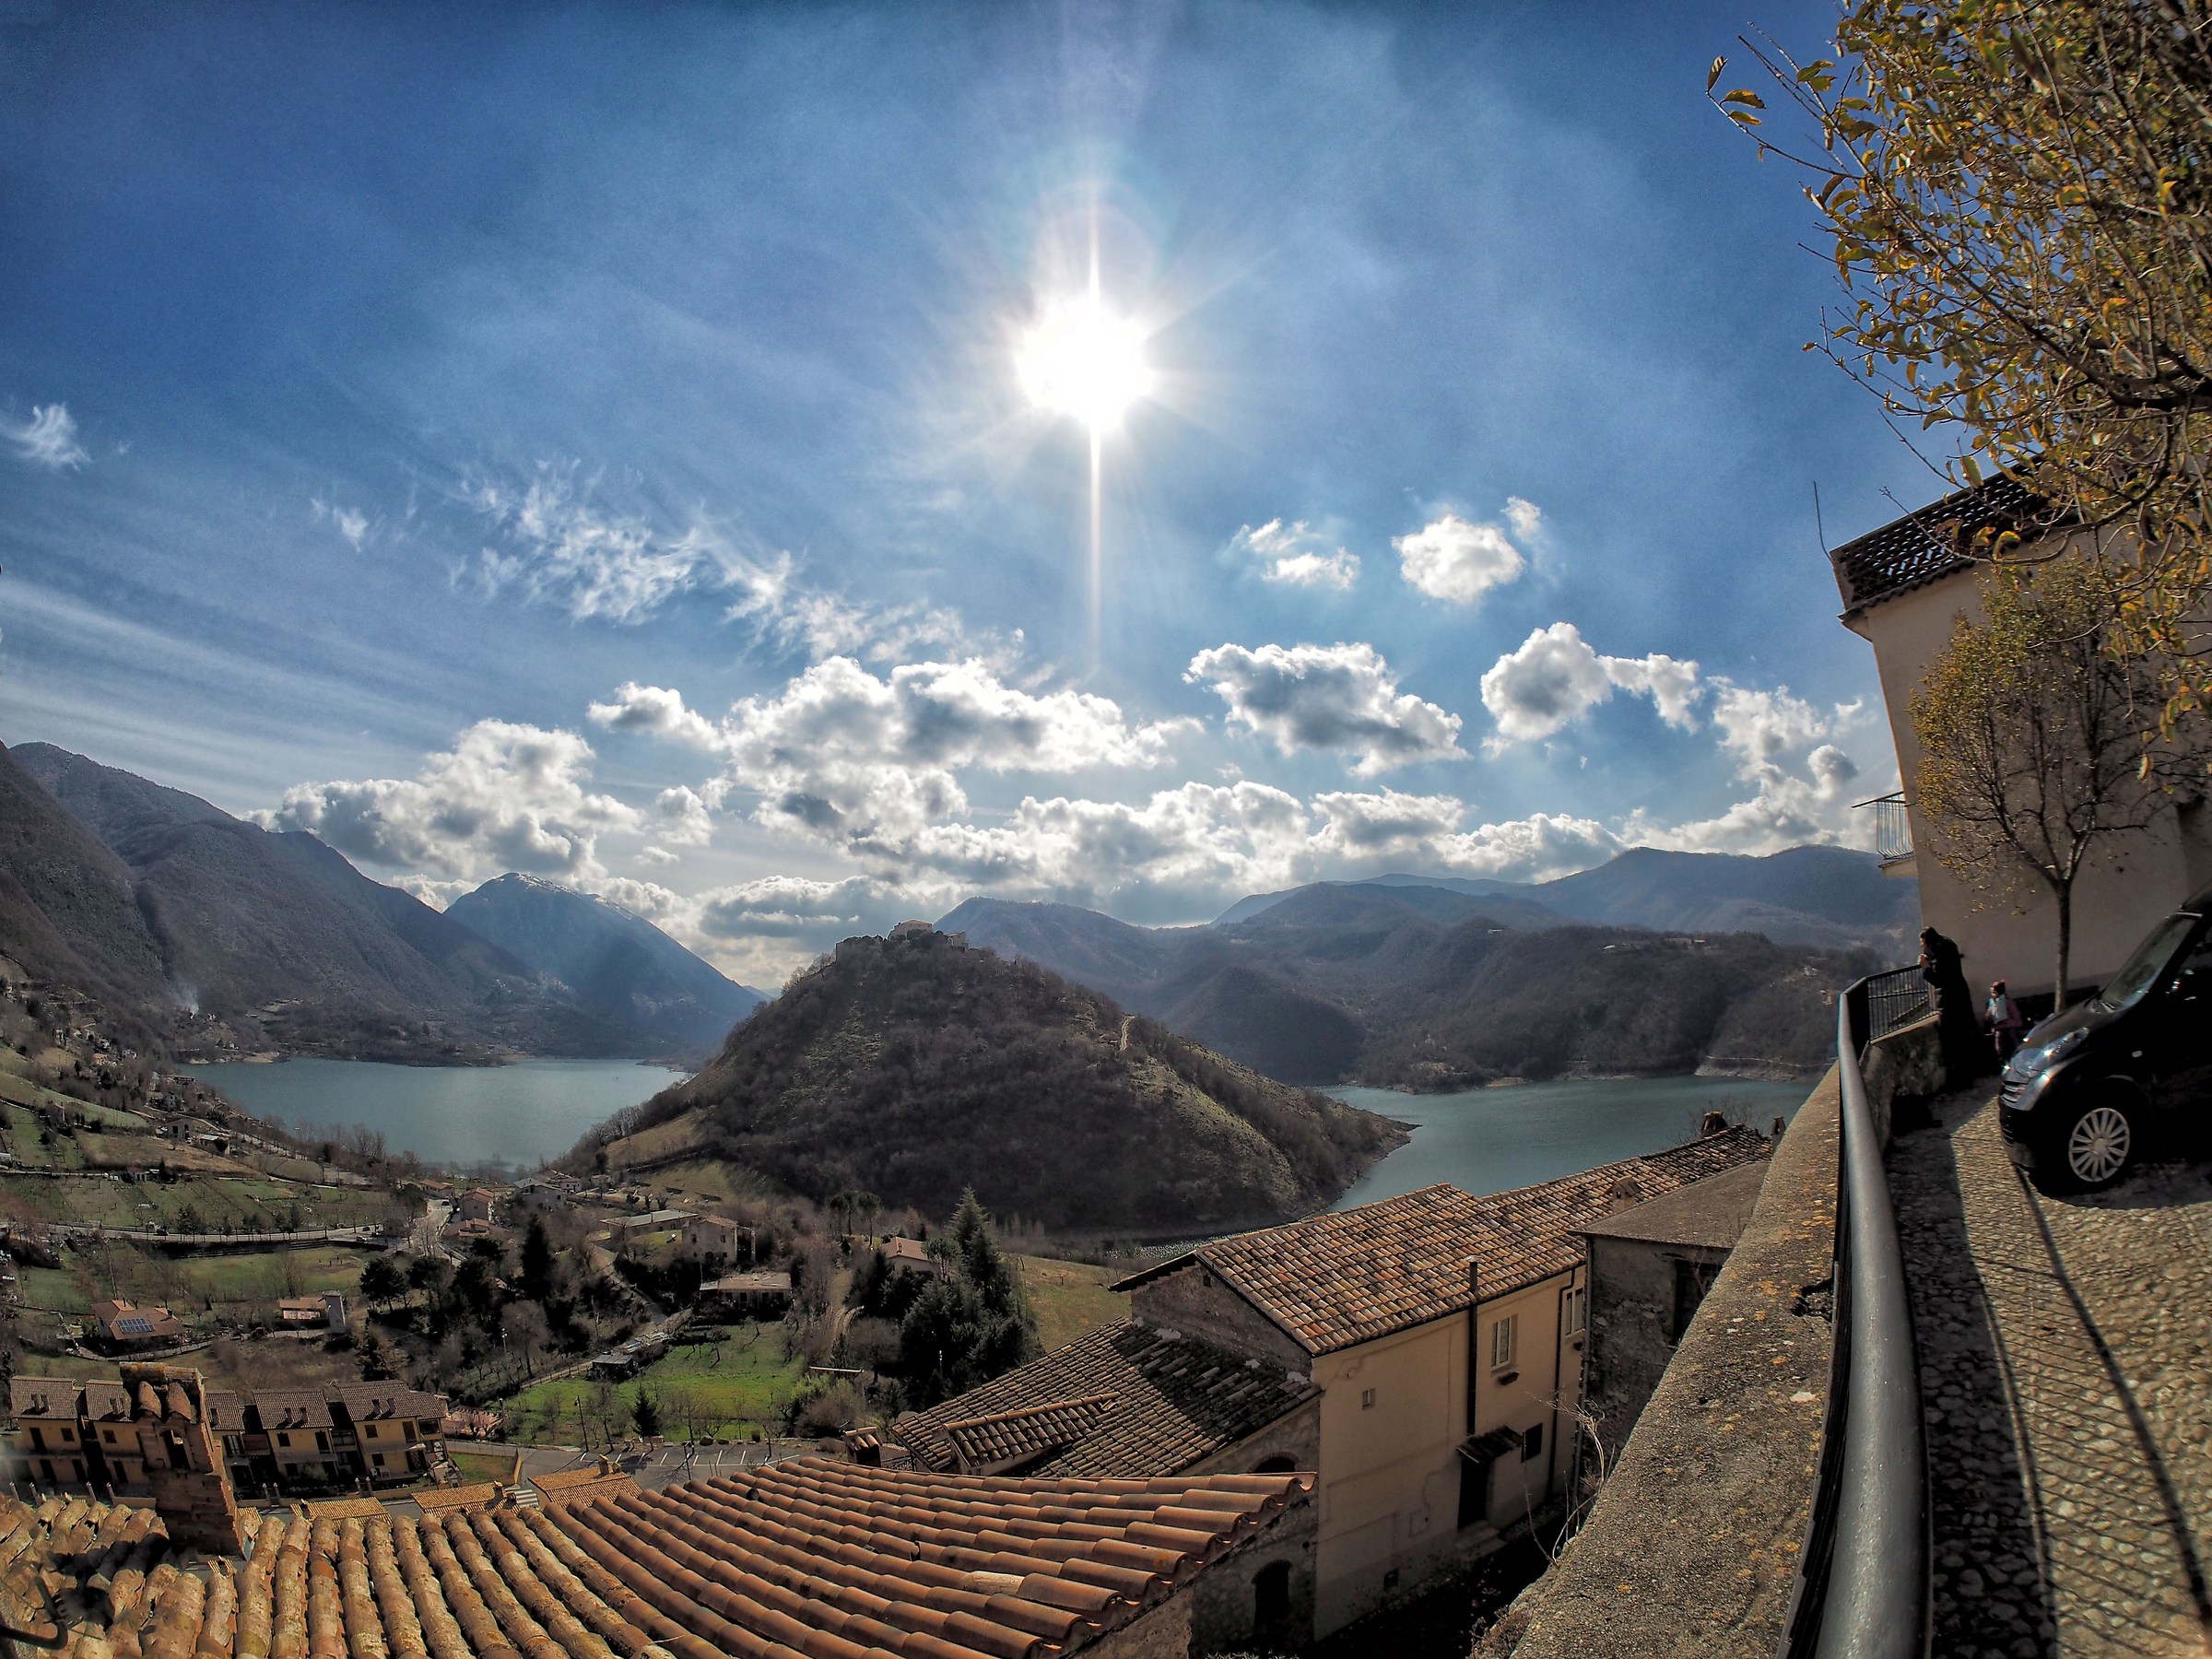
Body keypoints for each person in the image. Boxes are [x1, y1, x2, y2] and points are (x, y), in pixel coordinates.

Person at [1920, 926, 1985, 1081]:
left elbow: (1939, 981)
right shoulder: (1948, 947)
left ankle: (1960, 1077)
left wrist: (1925, 969)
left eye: (1922, 944)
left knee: (1952, 1040)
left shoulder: (1939, 954)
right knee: (1964, 1037)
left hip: (1949, 1002)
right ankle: (1970, 1073)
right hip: (1960, 997)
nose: (1922, 947)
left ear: (1928, 943)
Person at [1984, 979, 2024, 1062]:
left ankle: (2016, 1055)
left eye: (1994, 992)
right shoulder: (1992, 1004)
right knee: (1999, 1038)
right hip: (1999, 1028)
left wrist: (2009, 1022)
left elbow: (2016, 1016)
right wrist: (1989, 1016)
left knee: (2011, 1037)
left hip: (2009, 1027)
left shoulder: (2008, 1002)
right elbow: (1988, 1017)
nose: (1992, 995)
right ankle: (2002, 1057)